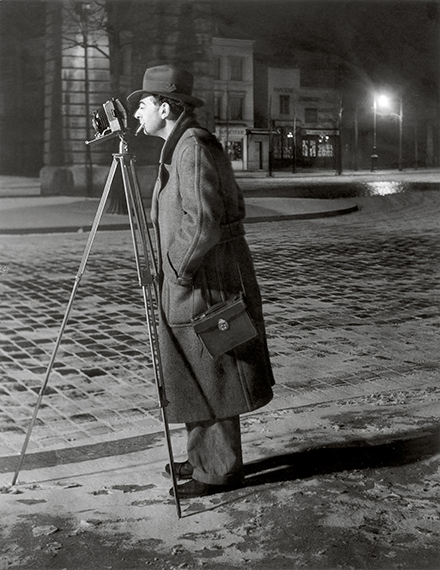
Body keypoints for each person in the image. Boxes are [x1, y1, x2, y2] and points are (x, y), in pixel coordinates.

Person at [127, 64, 275, 499]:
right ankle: (201, 455)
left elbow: (204, 221)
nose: (138, 114)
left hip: (201, 281)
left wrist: (177, 270)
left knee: (213, 373)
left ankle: (217, 469)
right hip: (194, 278)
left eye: (144, 104)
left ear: (166, 107)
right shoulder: (180, 145)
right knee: (193, 370)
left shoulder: (191, 147)